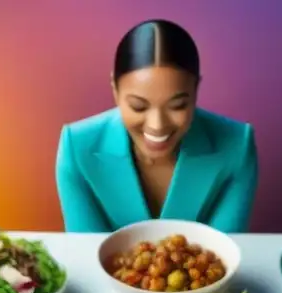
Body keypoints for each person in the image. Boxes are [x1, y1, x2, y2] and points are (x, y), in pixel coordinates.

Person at [55, 19, 258, 233]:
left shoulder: (238, 146)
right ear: (115, 89)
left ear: (196, 88)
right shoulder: (76, 148)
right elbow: (86, 252)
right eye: (138, 106)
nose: (157, 126)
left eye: (178, 105)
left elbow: (223, 253)